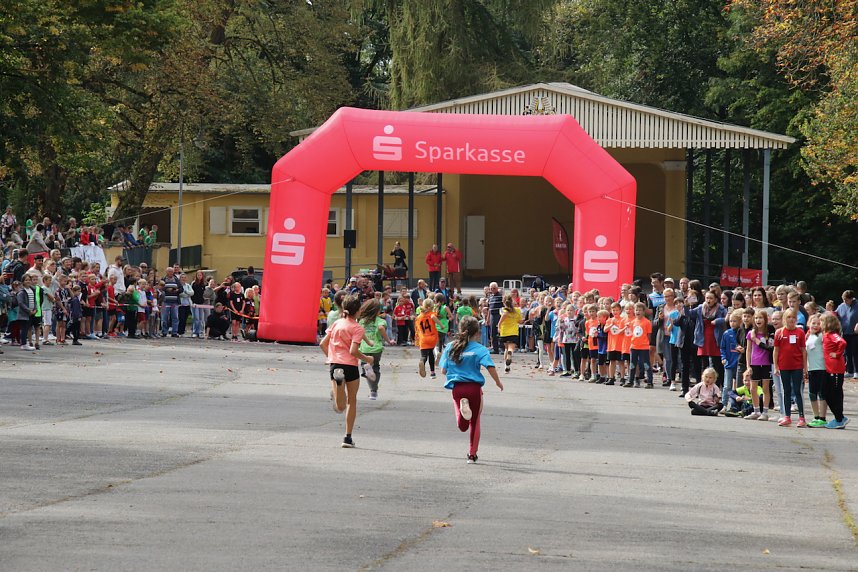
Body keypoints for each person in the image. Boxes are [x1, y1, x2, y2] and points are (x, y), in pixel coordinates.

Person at [439, 316, 504, 464]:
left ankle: (463, 410)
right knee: (475, 421)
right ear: (477, 333)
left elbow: (443, 370)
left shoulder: (450, 347)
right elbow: (490, 366)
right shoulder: (480, 349)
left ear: (460, 329)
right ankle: (472, 454)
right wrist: (498, 382)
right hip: (474, 389)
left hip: (457, 388)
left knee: (462, 426)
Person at [319, 294, 375, 448]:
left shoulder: (337, 323)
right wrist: (367, 359)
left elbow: (323, 344)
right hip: (350, 366)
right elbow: (353, 351)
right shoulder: (356, 327)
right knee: (351, 401)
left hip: (335, 363)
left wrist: (331, 357)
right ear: (357, 312)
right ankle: (347, 437)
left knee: (340, 406)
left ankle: (338, 384)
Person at [772, 308, 808, 427]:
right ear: (784, 319)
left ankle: (802, 417)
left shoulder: (800, 332)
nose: (791, 319)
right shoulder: (779, 333)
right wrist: (776, 366)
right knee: (786, 391)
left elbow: (803, 351)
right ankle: (787, 416)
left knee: (797, 391)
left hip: (797, 366)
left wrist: (805, 368)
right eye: (788, 317)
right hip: (784, 366)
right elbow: (776, 351)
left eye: (793, 317)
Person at [744, 310, 774, 420]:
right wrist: (748, 365)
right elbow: (748, 350)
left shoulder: (769, 332)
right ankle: (756, 410)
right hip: (754, 363)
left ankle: (765, 411)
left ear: (765, 319)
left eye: (760, 318)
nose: (758, 320)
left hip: (766, 363)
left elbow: (770, 346)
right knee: (753, 388)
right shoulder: (750, 334)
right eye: (756, 318)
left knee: (766, 388)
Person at [821, 313, 849, 429]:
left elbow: (842, 342)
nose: (820, 324)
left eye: (822, 322)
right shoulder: (826, 335)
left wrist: (837, 354)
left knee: (835, 393)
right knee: (826, 393)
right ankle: (839, 416)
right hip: (829, 369)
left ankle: (839, 418)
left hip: (836, 369)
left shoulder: (832, 335)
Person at [358, 298, 390, 400]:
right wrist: (388, 340)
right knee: (376, 368)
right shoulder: (380, 321)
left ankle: (365, 368)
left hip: (365, 347)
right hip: (376, 348)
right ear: (377, 311)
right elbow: (381, 328)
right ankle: (373, 392)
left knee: (365, 364)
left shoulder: (362, 321)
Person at [805, 315, 829, 427]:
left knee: (822, 393)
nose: (815, 325)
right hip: (811, 368)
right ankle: (816, 416)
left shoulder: (822, 336)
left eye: (818, 323)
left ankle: (823, 418)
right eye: (813, 323)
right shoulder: (809, 336)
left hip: (822, 368)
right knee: (812, 394)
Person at [624, 302, 653, 388]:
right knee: (633, 364)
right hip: (634, 346)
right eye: (636, 310)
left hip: (643, 347)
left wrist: (646, 343)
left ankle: (650, 382)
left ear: (644, 311)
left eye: (640, 310)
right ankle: (631, 380)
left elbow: (649, 335)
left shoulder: (647, 322)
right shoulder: (633, 322)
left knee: (646, 364)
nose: (638, 312)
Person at [415, 297, 441, 379]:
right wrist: (441, 325)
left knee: (424, 356)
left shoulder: (419, 317)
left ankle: (422, 361)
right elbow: (434, 317)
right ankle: (432, 373)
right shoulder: (432, 314)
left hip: (423, 339)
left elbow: (416, 330)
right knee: (431, 354)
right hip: (432, 337)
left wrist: (416, 340)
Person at [497, 294, 522, 373]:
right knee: (511, 348)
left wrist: (499, 325)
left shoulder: (502, 310)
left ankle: (506, 366)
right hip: (513, 331)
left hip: (504, 331)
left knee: (506, 348)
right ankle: (510, 355)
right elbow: (520, 321)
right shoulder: (517, 310)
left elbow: (503, 315)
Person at [835, 290, 857, 378]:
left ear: (851, 299)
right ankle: (850, 370)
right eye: (843, 299)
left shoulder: (857, 305)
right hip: (845, 332)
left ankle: (856, 371)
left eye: (846, 300)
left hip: (855, 333)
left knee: (855, 352)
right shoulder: (841, 306)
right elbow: (836, 314)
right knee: (847, 352)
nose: (845, 302)